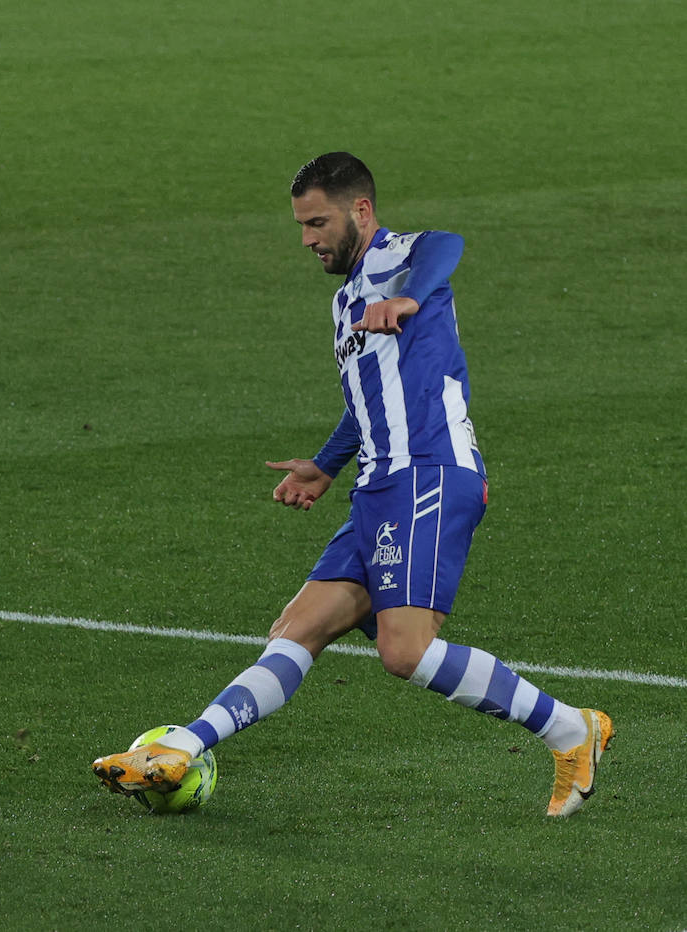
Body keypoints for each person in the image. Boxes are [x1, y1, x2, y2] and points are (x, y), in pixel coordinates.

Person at [92, 152, 613, 817]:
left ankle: (574, 730)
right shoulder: (346, 303)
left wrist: (409, 296)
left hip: (428, 471)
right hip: (377, 487)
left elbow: (447, 245)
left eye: (317, 222)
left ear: (360, 211)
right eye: (302, 227)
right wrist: (324, 464)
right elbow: (367, 397)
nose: (308, 239)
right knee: (297, 627)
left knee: (405, 651)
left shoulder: (404, 258)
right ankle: (182, 748)